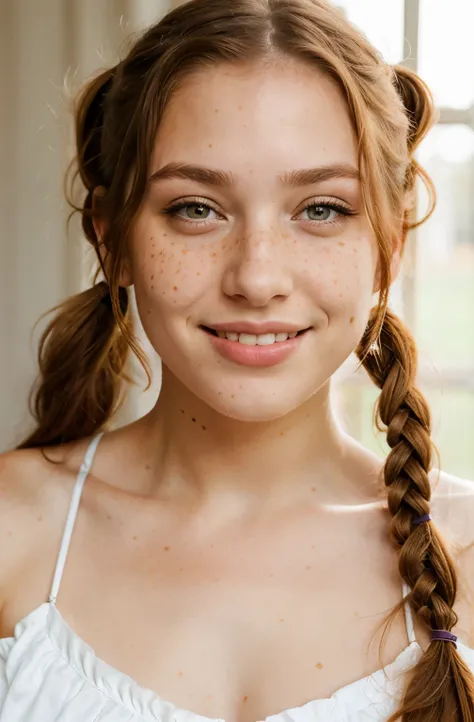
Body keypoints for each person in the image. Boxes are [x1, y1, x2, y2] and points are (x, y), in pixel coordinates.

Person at [1, 0, 474, 720]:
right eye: (196, 208)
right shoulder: (12, 531)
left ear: (388, 245)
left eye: (321, 209)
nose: (256, 277)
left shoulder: (466, 554)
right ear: (113, 237)